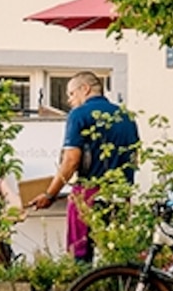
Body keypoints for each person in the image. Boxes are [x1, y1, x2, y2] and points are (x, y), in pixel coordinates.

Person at [27, 71, 141, 263]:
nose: (69, 100)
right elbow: (134, 158)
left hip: (88, 194)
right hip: (121, 194)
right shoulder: (127, 117)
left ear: (85, 89)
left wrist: (50, 195)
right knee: (118, 256)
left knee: (80, 256)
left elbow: (71, 160)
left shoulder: (79, 115)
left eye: (71, 94)